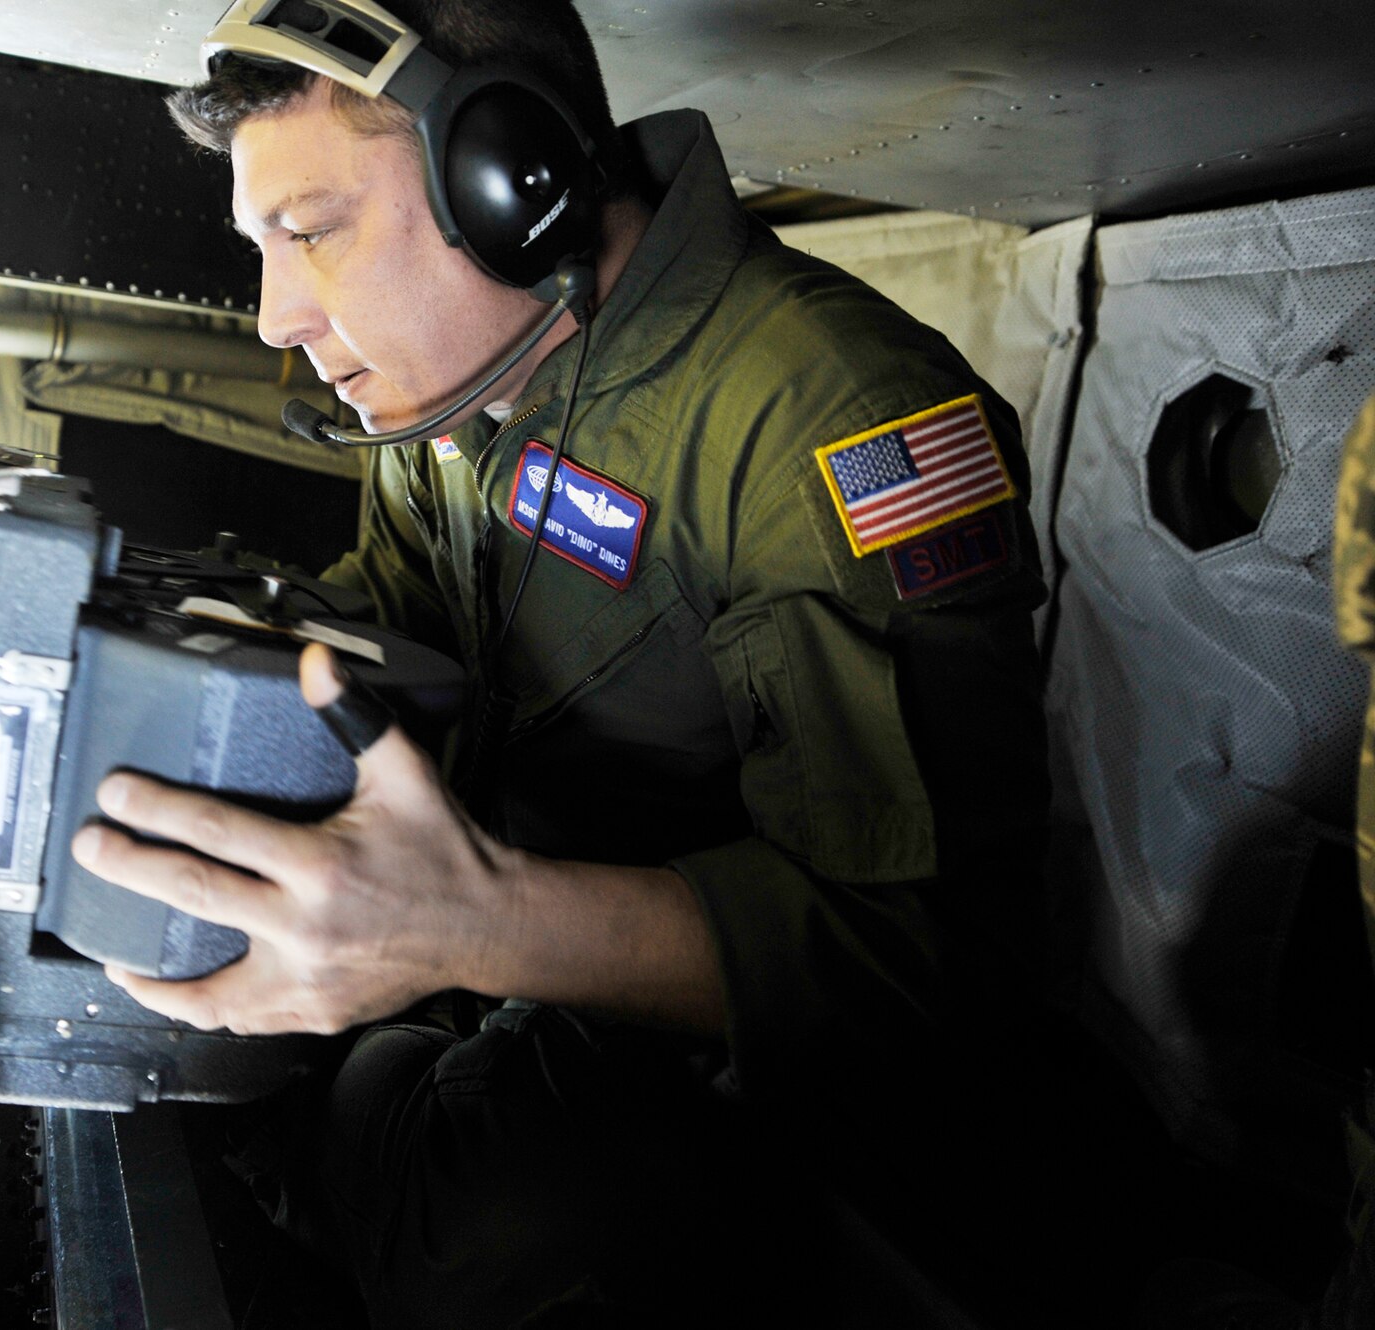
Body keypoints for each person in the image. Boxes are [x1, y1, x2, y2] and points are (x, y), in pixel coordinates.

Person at [67, 1, 1053, 1322]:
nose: (274, 317)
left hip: (757, 1082)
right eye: (262, 247)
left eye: (310, 233)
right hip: (510, 982)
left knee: (483, 1235)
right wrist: (170, 678)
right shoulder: (465, 383)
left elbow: (921, 960)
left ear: (508, 187)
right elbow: (398, 634)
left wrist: (473, 926)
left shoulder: (835, 419)